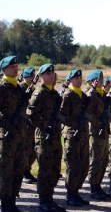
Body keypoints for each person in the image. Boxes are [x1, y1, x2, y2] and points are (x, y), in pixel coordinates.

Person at [28, 63, 65, 211]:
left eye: (53, 73)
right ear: (41, 76)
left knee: (55, 170)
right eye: (48, 73)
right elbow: (31, 115)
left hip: (55, 136)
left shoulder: (54, 94)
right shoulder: (39, 92)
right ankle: (43, 201)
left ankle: (50, 198)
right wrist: (44, 126)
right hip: (44, 137)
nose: (51, 75)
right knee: (45, 170)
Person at [60, 69, 90, 207]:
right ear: (70, 80)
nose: (79, 79)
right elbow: (61, 115)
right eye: (76, 78)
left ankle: (76, 192)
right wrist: (73, 123)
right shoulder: (68, 95)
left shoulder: (83, 95)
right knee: (73, 167)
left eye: (80, 77)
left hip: (83, 134)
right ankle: (70, 195)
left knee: (83, 166)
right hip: (72, 135)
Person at [0, 56, 26, 211]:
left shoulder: (20, 88)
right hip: (6, 136)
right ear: (3, 70)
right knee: (6, 171)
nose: (15, 69)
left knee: (18, 169)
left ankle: (13, 202)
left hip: (20, 135)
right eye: (12, 67)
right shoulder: (2, 88)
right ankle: (5, 204)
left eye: (16, 66)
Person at [86, 70, 110, 200]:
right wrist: (97, 122)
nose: (101, 80)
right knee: (95, 160)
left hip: (104, 131)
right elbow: (87, 113)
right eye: (98, 79)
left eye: (101, 78)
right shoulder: (90, 94)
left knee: (103, 159)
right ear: (91, 81)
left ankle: (98, 185)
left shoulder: (102, 94)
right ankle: (93, 187)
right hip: (94, 132)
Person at [19, 67, 38, 184]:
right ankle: (24, 172)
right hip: (25, 124)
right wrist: (27, 117)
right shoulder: (22, 88)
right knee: (26, 149)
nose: (32, 77)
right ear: (25, 76)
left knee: (33, 149)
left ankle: (27, 170)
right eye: (30, 76)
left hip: (33, 124)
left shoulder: (32, 89)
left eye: (33, 75)